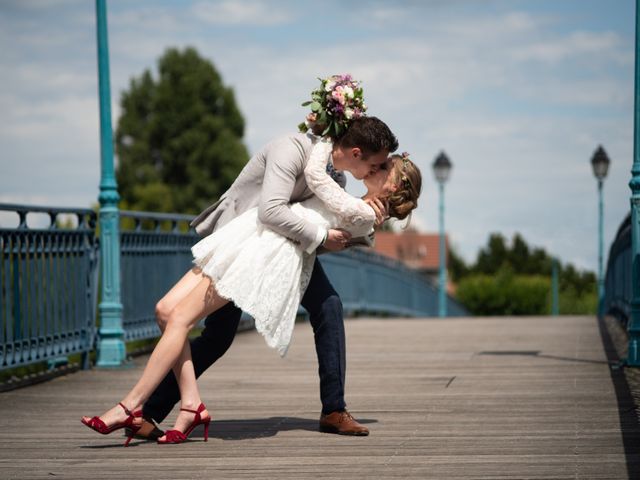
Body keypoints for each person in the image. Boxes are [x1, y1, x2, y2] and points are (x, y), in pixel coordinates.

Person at [81, 76, 406, 444]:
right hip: (244, 244)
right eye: (378, 165)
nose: (378, 173)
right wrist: (321, 237)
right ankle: (158, 410)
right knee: (212, 334)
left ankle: (333, 409)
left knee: (328, 306)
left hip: (282, 249)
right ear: (359, 153)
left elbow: (318, 226)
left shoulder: (337, 181)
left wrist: (338, 236)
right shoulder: (292, 149)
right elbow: (271, 211)